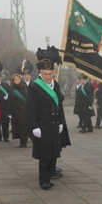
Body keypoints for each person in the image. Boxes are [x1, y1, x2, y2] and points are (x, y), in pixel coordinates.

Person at [27, 48, 70, 190]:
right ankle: (43, 180)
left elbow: (59, 106)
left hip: (54, 125)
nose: (47, 76)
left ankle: (51, 173)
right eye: (45, 74)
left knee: (53, 152)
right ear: (40, 73)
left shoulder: (56, 85)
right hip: (42, 125)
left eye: (50, 74)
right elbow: (31, 109)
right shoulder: (34, 87)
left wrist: (61, 122)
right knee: (44, 155)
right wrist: (34, 126)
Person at [9, 73, 29, 147]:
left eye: (18, 79)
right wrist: (9, 112)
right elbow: (9, 101)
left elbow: (28, 99)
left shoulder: (24, 88)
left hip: (24, 110)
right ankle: (21, 140)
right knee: (18, 126)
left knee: (24, 126)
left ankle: (24, 141)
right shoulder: (11, 89)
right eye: (15, 79)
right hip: (15, 111)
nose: (17, 81)